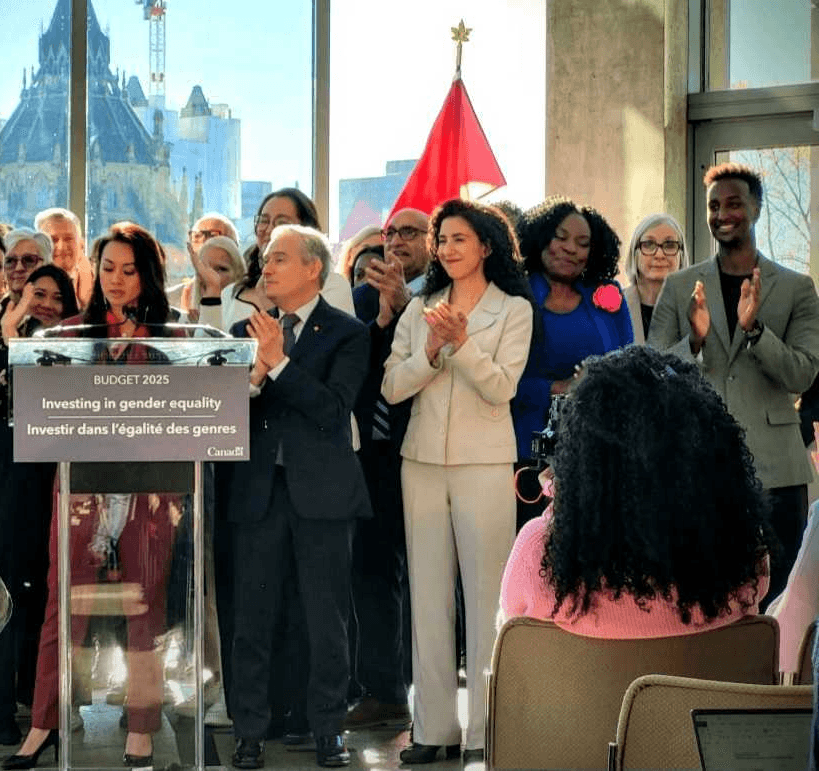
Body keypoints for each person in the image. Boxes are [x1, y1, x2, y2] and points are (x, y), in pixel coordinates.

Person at [4, 222, 185, 771]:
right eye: (108, 269)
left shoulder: (175, 335)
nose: (117, 281)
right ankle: (43, 724)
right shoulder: (72, 335)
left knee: (144, 608)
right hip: (81, 487)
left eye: (129, 271)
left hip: (151, 493)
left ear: (148, 274)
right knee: (62, 609)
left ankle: (141, 729)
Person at [382, 199, 534, 764]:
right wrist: (430, 350)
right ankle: (434, 729)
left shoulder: (514, 310)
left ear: (487, 246)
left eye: (458, 239)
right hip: (419, 462)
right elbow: (393, 386)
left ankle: (485, 732)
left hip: (485, 463)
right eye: (441, 239)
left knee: (487, 597)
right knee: (427, 596)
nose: (445, 248)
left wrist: (463, 344)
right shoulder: (421, 305)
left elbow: (502, 388)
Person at [223, 224, 370, 769]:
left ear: (313, 268)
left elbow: (334, 411)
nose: (267, 267)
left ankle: (329, 727)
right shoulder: (243, 330)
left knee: (326, 617)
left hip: (324, 495)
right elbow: (226, 415)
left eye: (279, 258)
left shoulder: (347, 333)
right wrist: (256, 372)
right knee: (252, 618)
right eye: (265, 258)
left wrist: (279, 363)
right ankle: (249, 732)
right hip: (258, 494)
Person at [500, 346, 774, 636]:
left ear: (583, 459)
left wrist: (565, 494)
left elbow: (508, 644)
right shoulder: (743, 551)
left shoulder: (540, 550)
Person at [648, 162, 819, 602]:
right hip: (699, 463)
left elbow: (803, 372)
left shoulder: (798, 288)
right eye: (713, 205)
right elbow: (653, 372)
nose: (723, 213)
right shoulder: (680, 286)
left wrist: (756, 331)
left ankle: (777, 674)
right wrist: (697, 339)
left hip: (777, 469)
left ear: (756, 209)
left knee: (782, 594)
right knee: (704, 589)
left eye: (734, 203)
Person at [344, 208, 433, 731]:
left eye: (410, 233)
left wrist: (405, 310)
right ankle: (384, 689)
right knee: (374, 573)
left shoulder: (441, 297)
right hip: (373, 453)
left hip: (427, 447)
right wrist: (382, 318)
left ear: (432, 242)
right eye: (391, 232)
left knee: (428, 577)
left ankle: (432, 694)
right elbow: (358, 371)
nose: (397, 241)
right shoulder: (360, 299)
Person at [511, 197, 633, 528]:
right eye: (560, 237)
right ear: (540, 238)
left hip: (597, 447)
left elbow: (629, 365)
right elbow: (499, 378)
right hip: (529, 454)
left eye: (583, 243)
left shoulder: (609, 297)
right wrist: (557, 388)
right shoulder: (515, 297)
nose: (570, 249)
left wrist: (600, 381)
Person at [0, 237, 60, 747]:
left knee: (38, 587)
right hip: (6, 474)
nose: (21, 271)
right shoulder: (4, 323)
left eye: (31, 262)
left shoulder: (71, 336)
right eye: (14, 262)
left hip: (50, 479)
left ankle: (39, 702)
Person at [196, 188, 353, 330]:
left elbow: (327, 349)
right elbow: (206, 354)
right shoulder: (231, 292)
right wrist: (211, 294)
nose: (269, 230)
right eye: (264, 221)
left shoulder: (332, 285)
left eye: (282, 223)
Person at [623, 213, 690, 342]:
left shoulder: (697, 309)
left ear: (681, 255)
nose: (659, 254)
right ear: (634, 253)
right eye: (649, 244)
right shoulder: (615, 308)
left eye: (670, 245)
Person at [172, 212, 240, 313]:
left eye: (213, 236)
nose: (204, 243)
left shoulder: (246, 298)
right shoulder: (171, 299)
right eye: (197, 236)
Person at [33, 208, 94, 308]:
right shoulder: (28, 288)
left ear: (81, 245)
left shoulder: (100, 286)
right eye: (53, 240)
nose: (61, 247)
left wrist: (88, 302)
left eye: (68, 239)